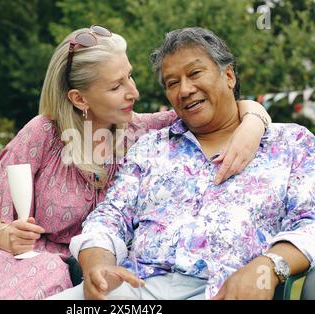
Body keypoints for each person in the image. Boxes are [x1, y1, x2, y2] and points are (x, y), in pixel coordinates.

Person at [0, 26, 271, 300]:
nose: (134, 92)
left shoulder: (139, 130)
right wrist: (4, 236)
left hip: (81, 262)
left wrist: (254, 121)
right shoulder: (44, 132)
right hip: (11, 258)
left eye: (129, 77)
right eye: (117, 86)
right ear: (79, 99)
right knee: (46, 276)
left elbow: (211, 105)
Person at [49, 27, 315, 300]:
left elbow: (310, 221)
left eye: (195, 73)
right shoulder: (150, 147)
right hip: (135, 288)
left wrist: (268, 267)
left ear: (229, 75)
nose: (185, 90)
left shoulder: (291, 144)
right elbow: (111, 216)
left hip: (221, 289)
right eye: (172, 82)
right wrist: (98, 264)